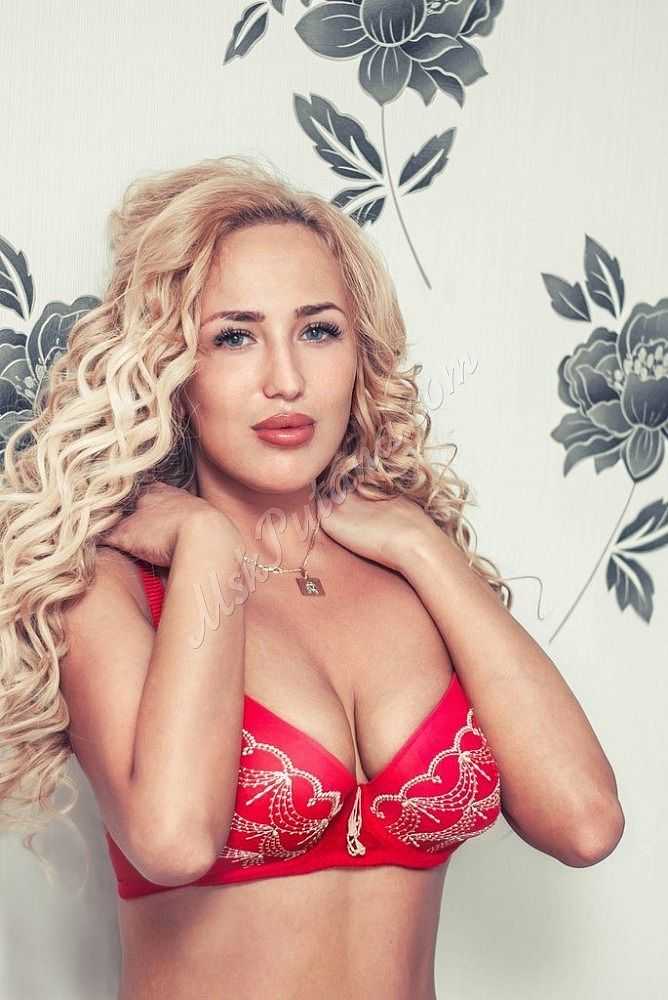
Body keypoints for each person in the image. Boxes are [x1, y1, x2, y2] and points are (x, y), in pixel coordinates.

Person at [0, 155, 625, 999]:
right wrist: (208, 546)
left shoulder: (410, 570)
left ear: (359, 355)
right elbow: (174, 840)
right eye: (235, 336)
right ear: (173, 368)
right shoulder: (111, 587)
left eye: (318, 331)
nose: (286, 380)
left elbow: (585, 824)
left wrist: (422, 544)